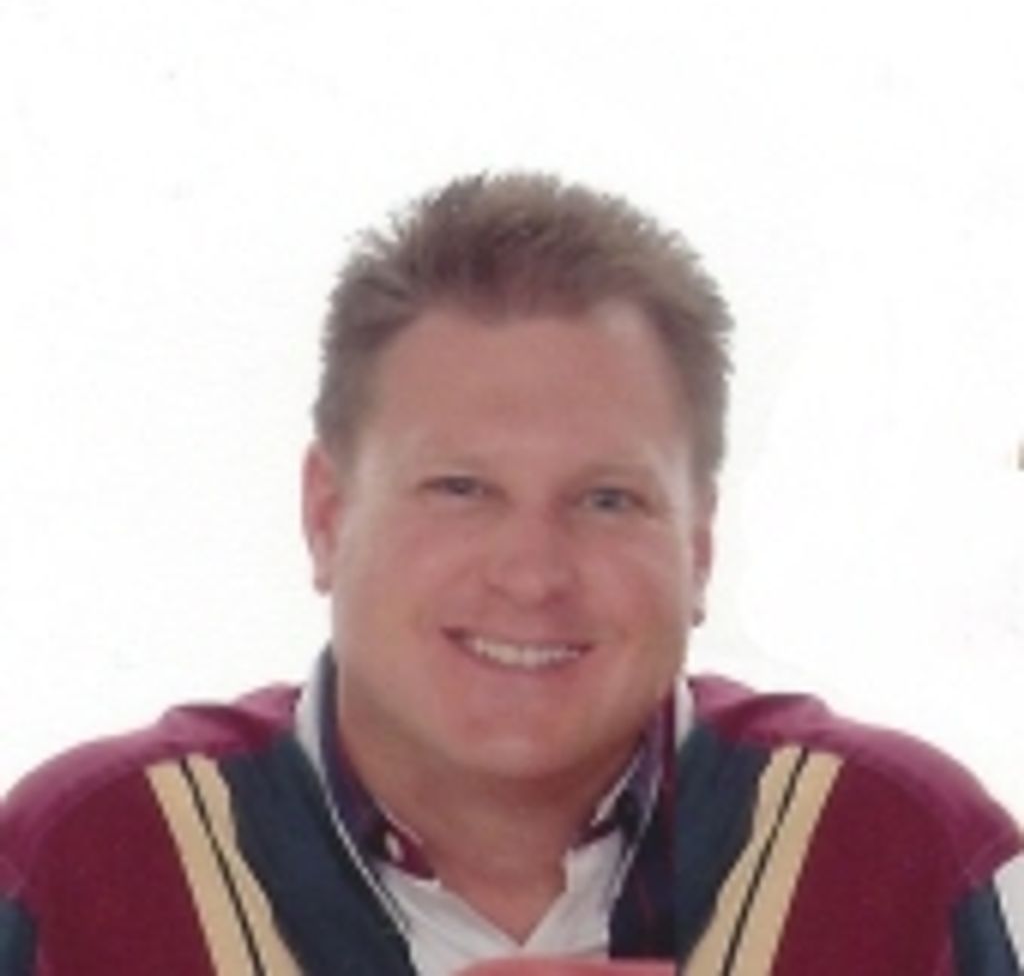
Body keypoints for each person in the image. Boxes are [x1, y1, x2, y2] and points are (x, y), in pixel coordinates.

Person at [0, 173, 1020, 975]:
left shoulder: (907, 856)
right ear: (327, 514)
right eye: (460, 488)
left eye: (607, 499)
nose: (532, 574)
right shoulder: (84, 866)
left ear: (699, 543)